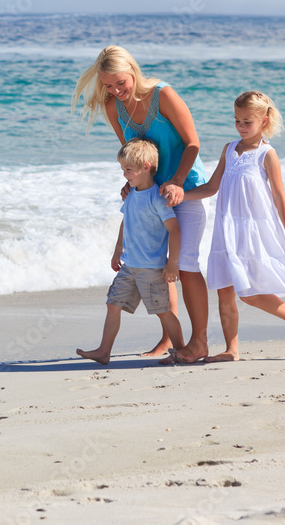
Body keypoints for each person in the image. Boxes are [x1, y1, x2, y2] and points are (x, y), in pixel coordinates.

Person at [73, 45, 210, 363]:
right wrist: (131, 182)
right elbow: (133, 153)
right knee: (160, 267)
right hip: (150, 195)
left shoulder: (163, 94)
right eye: (108, 85)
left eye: (121, 83)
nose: (116, 91)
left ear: (133, 71)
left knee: (184, 265)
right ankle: (169, 342)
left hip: (184, 186)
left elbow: (193, 142)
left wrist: (176, 181)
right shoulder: (112, 108)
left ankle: (198, 341)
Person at [184, 91, 285, 360]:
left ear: (265, 119)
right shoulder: (229, 149)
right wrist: (182, 194)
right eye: (237, 120)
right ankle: (231, 350)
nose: (241, 127)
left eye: (247, 122)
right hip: (225, 229)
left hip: (251, 232)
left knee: (248, 291)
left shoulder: (266, 154)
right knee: (224, 291)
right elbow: (212, 187)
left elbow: (280, 197)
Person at [76, 138, 185, 365]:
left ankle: (181, 350)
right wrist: (118, 250)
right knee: (112, 304)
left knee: (163, 310)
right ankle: (104, 351)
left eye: (128, 170)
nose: (125, 175)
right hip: (129, 265)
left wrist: (172, 262)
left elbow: (174, 230)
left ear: (146, 166)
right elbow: (126, 221)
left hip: (152, 268)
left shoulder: (157, 197)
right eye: (123, 169)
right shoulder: (132, 194)